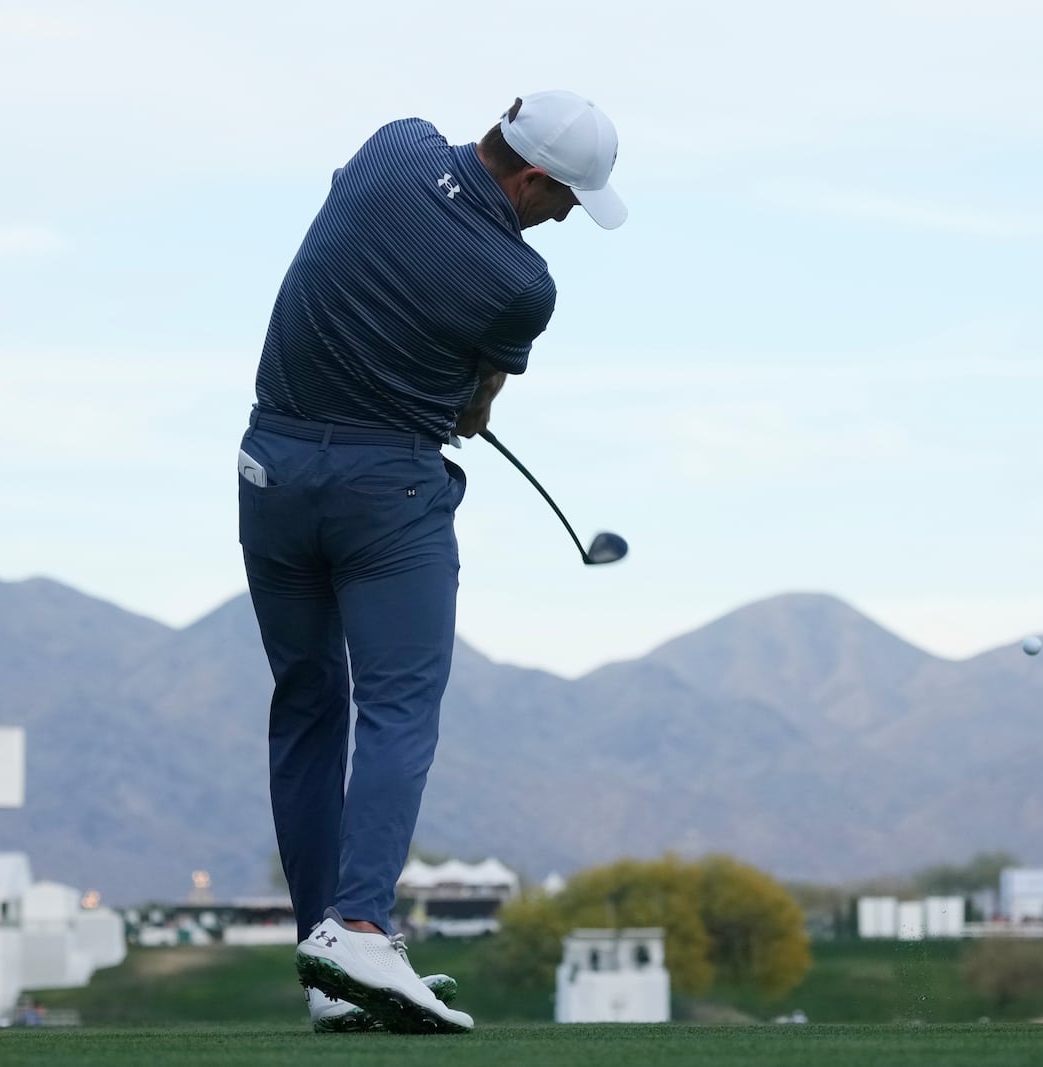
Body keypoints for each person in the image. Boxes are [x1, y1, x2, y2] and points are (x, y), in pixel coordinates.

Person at [239, 90, 623, 1034]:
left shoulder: (393, 144)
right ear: (533, 177)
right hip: (388, 494)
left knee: (307, 706)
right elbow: (478, 395)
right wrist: (470, 400)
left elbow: (365, 239)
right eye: (567, 199)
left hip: (270, 471)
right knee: (399, 707)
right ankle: (360, 925)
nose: (567, 217)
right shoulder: (523, 283)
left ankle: (328, 966)